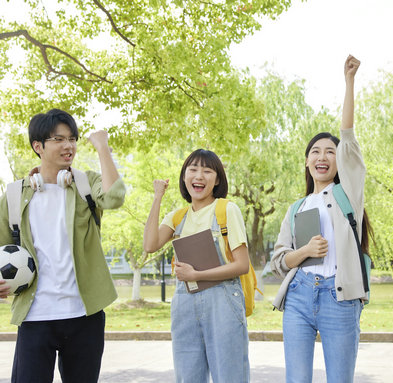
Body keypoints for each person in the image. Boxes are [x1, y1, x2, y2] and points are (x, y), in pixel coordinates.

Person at [0, 109, 126, 382]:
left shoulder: (86, 184)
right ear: (38, 146)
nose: (68, 146)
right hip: (35, 315)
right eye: (58, 139)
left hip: (84, 315)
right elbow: (1, 249)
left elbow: (115, 197)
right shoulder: (13, 195)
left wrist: (102, 147)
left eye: (72, 139)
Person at [270, 55, 372, 383]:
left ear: (340, 161)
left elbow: (348, 136)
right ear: (306, 162)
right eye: (315, 151)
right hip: (298, 296)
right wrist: (305, 252)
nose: (322, 156)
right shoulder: (296, 207)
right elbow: (279, 261)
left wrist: (349, 82)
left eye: (330, 151)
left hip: (338, 298)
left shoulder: (349, 195)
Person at [143, 149, 250, 383]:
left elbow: (242, 265)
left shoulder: (226, 209)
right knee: (188, 377)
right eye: (192, 169)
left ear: (217, 179)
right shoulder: (177, 217)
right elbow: (150, 244)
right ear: (184, 177)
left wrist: (197, 274)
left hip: (222, 301)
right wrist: (157, 197)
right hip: (185, 303)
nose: (198, 175)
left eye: (207, 170)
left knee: (229, 376)